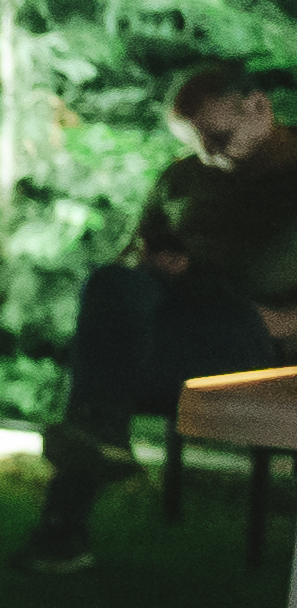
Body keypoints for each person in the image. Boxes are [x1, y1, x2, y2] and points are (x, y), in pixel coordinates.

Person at [18, 60, 297, 572]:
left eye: (220, 136)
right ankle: (100, 443)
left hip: (256, 341)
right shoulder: (183, 177)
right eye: (197, 143)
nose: (210, 154)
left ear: (257, 105)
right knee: (108, 284)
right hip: (172, 328)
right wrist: (152, 263)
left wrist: (278, 323)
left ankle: (65, 526)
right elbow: (131, 260)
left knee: (100, 382)